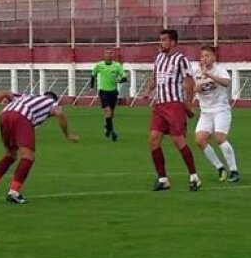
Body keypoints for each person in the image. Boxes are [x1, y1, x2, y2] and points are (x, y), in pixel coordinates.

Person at [0, 90, 78, 205]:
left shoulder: (25, 96)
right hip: (22, 116)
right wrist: (67, 134)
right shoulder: (51, 102)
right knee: (28, 156)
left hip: (5, 114)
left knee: (10, 154)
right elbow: (60, 114)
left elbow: (5, 92)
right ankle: (13, 193)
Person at [139, 29, 200, 192]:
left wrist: (189, 104)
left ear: (173, 42)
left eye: (165, 40)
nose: (162, 43)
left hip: (174, 104)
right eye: (161, 39)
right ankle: (163, 179)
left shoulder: (181, 59)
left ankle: (194, 176)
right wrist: (148, 90)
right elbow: (155, 77)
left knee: (177, 139)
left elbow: (189, 82)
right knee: (153, 139)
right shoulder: (159, 57)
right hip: (160, 104)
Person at [191, 46, 239, 183]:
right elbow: (187, 86)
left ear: (214, 57)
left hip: (220, 109)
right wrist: (195, 89)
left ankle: (234, 170)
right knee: (200, 140)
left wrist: (209, 75)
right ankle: (220, 167)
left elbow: (226, 82)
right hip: (205, 112)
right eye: (202, 56)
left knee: (219, 137)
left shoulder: (219, 70)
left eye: (207, 56)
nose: (204, 59)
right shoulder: (195, 71)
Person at [90, 49, 127, 141]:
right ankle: (112, 131)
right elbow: (93, 75)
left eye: (110, 53)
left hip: (113, 92)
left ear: (113, 55)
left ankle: (107, 126)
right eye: (107, 53)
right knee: (108, 111)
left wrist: (120, 80)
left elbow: (124, 77)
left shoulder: (117, 66)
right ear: (104, 54)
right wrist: (91, 87)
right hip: (103, 91)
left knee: (111, 113)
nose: (109, 55)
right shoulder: (99, 65)